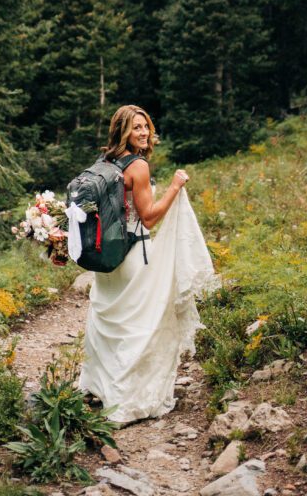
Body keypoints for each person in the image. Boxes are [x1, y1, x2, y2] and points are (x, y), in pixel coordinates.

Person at [79, 104, 215, 424]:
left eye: (145, 127)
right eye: (136, 127)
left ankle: (101, 388)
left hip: (110, 257)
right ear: (123, 131)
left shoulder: (106, 161)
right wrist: (175, 187)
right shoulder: (137, 166)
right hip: (134, 253)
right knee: (141, 326)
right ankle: (128, 399)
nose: (143, 133)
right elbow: (149, 218)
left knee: (113, 323)